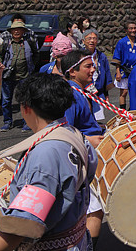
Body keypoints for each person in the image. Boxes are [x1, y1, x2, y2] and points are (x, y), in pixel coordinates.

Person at [0, 73, 97, 251]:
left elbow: (22, 225)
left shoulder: (45, 154)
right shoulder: (74, 134)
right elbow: (89, 172)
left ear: (26, 108)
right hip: (77, 237)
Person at [59, 50, 106, 247]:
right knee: (94, 209)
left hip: (86, 155)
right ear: (72, 71)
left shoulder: (79, 92)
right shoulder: (71, 94)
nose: (93, 70)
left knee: (93, 209)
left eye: (93, 65)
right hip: (81, 158)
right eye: (88, 66)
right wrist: (90, 139)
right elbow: (63, 130)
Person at [0, 19, 36, 132]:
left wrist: (32, 67)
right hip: (8, 76)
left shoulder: (29, 42)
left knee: (25, 100)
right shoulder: (6, 43)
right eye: (14, 29)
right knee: (6, 101)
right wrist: (0, 65)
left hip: (24, 75)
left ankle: (27, 122)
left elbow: (36, 54)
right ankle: (7, 122)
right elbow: (0, 55)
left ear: (23, 31)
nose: (16, 32)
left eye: (19, 29)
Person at [112, 21, 136, 110]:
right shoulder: (122, 42)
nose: (133, 30)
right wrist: (118, 72)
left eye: (134, 28)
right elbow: (117, 58)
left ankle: (134, 110)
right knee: (124, 92)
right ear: (126, 30)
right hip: (124, 70)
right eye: (131, 28)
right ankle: (123, 112)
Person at [81, 29, 113, 105]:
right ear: (83, 41)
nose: (92, 41)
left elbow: (107, 75)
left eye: (94, 38)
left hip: (99, 93)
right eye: (89, 38)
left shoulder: (102, 57)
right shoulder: (79, 56)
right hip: (83, 93)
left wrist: (106, 94)